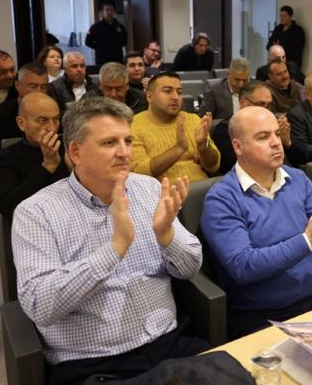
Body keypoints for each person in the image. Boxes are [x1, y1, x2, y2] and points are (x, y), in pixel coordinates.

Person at [12, 97, 206, 384]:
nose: (124, 152)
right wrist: (114, 249)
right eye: (109, 143)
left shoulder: (150, 189)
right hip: (95, 364)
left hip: (170, 344)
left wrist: (167, 237)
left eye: (127, 141)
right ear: (75, 152)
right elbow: (39, 305)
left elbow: (190, 268)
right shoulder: (36, 212)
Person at [201, 106, 312, 339]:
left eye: (276, 133)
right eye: (263, 137)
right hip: (261, 316)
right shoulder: (221, 198)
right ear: (238, 147)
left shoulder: (298, 178)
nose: (276, 143)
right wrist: (308, 240)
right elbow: (243, 266)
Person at [0, 92, 69, 220]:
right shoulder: (4, 159)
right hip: (34, 221)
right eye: (43, 120)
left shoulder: (67, 148)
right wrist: (48, 166)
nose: (52, 128)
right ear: (21, 123)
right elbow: (7, 207)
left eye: (56, 120)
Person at [131, 72, 220, 181]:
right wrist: (179, 149)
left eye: (179, 92)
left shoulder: (193, 119)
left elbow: (213, 166)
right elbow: (138, 172)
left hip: (202, 187)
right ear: (149, 96)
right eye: (167, 91)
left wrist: (203, 146)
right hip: (164, 190)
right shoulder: (134, 125)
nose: (175, 97)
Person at [211, 80, 307, 173]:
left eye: (269, 105)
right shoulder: (225, 129)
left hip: (287, 174)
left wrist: (287, 142)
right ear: (244, 103)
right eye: (261, 104)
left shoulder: (274, 123)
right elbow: (236, 165)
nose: (266, 110)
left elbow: (302, 158)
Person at [0, 62, 49, 159]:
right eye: (33, 86)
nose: (39, 92)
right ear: (17, 85)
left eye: (44, 87)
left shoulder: (53, 112)